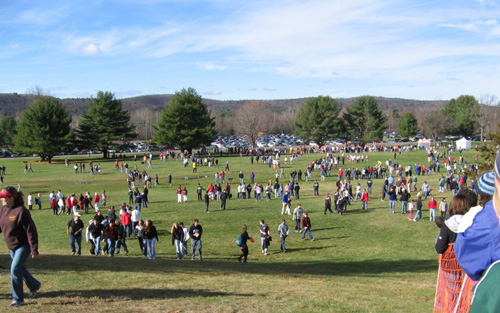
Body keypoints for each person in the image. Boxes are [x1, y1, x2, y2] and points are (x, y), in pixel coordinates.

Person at [0, 186, 42, 306]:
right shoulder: (3, 209)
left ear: (11, 198)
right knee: (20, 268)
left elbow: (31, 230)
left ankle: (18, 299)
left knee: (15, 269)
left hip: (23, 246)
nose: (1, 200)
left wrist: (34, 249)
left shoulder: (21, 211)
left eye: (3, 198)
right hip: (11, 246)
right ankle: (34, 285)